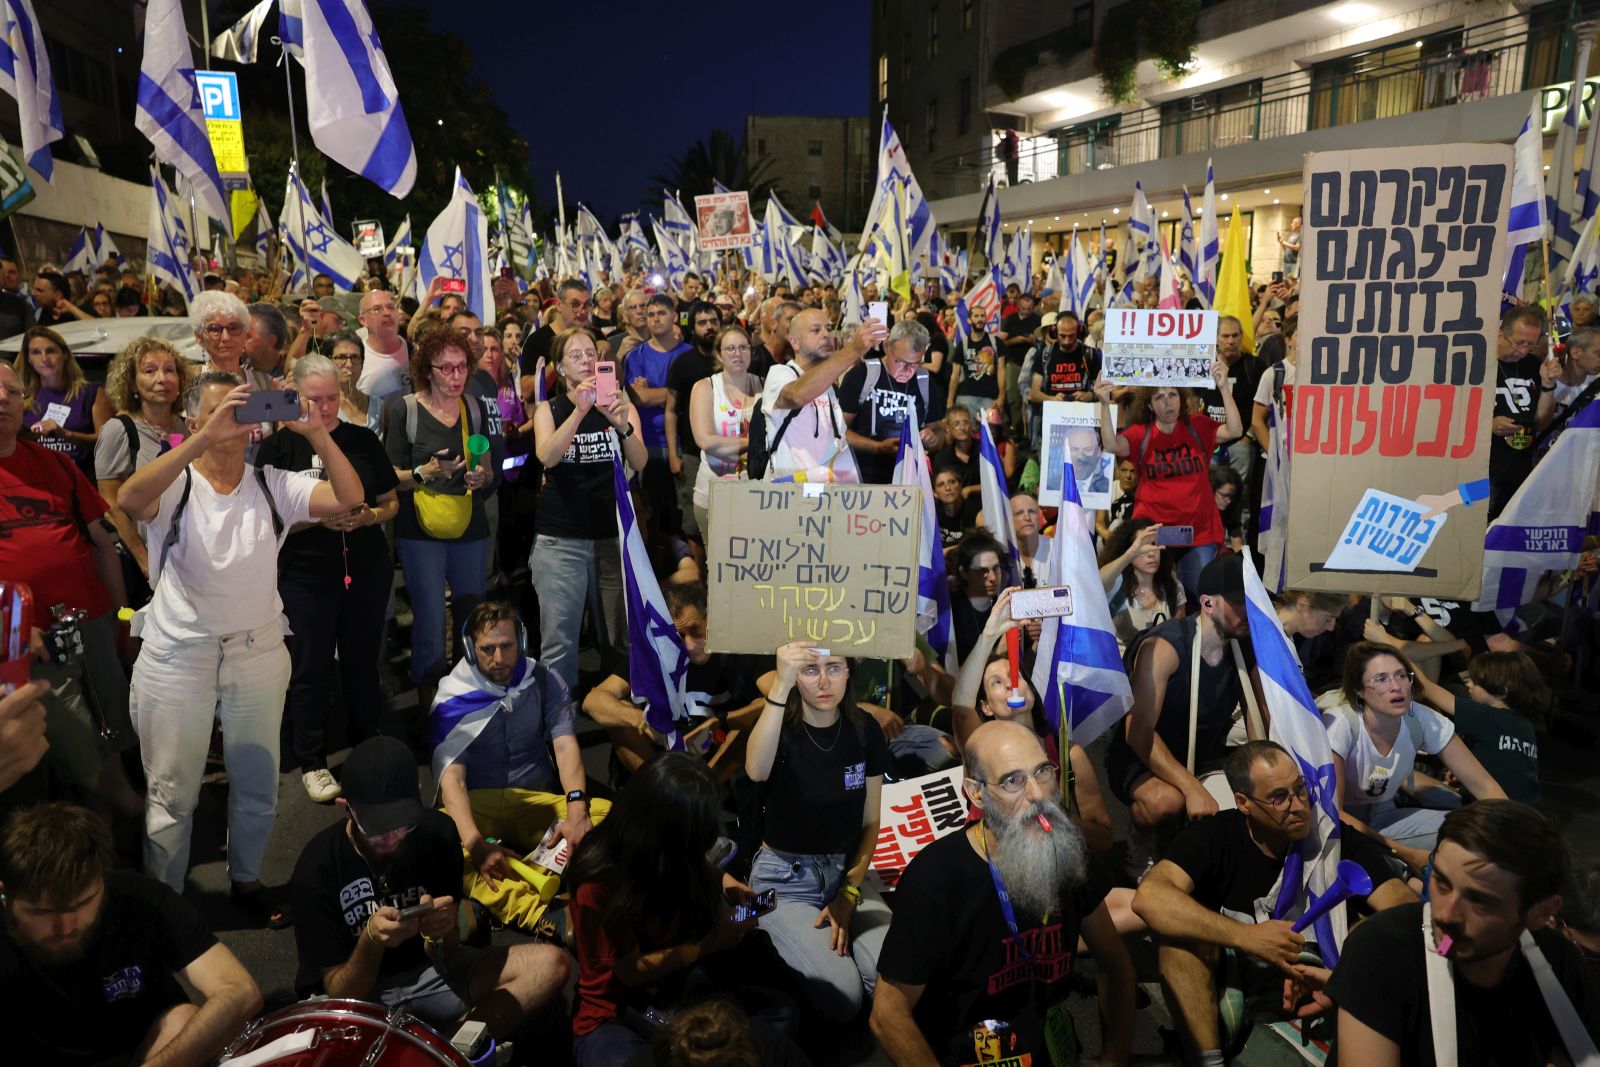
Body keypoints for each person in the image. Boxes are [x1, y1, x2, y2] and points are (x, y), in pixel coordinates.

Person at [118, 370, 364, 920]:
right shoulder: (176, 483)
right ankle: (168, 908)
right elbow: (131, 499)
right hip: (179, 654)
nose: (232, 420)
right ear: (189, 422)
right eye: (216, 410)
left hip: (257, 651)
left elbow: (351, 496)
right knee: (173, 795)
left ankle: (247, 882)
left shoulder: (271, 482)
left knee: (258, 785)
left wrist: (318, 434)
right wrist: (204, 438)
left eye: (240, 411)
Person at [871, 720, 1136, 1066]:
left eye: (1042, 771)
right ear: (976, 792)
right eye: (1013, 781)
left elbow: (1115, 964)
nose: (1038, 794)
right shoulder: (936, 878)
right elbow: (887, 1015)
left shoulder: (1066, 848)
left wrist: (1114, 1059)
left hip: (1040, 1043)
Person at [1134, 741, 1415, 1064]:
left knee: (1369, 934)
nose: (1297, 806)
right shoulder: (1216, 836)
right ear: (1243, 803)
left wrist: (1348, 967)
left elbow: (1406, 910)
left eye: (1301, 789)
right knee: (1179, 944)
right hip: (1235, 973)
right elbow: (1150, 898)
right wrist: (1247, 937)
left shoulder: (1331, 840)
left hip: (1315, 979)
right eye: (1279, 797)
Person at [290, 737, 571, 1041]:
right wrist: (371, 941)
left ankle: (442, 1051)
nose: (393, 838)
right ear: (346, 809)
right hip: (360, 1000)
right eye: (378, 828)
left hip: (430, 974)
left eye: (402, 824)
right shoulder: (316, 870)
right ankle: (447, 1044)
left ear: (418, 797)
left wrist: (445, 928)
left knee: (550, 964)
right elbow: (341, 990)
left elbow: (448, 952)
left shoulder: (436, 833)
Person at [568, 753, 804, 1066]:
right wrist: (714, 940)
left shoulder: (663, 847)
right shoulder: (598, 881)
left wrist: (727, 881)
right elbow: (628, 972)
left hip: (681, 981)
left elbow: (698, 860)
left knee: (782, 1014)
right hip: (619, 1006)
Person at [1327, 800, 1599, 1065]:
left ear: (1541, 913)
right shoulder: (1380, 951)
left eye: (1479, 900)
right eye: (1442, 882)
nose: (1446, 914)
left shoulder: (1556, 962)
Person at [0, 802, 263, 1066]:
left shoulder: (139, 898)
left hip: (146, 1053)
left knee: (182, 1019)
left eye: (82, 904)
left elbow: (239, 991)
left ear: (102, 879)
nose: (66, 927)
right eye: (42, 913)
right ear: (6, 896)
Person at [256, 354, 399, 803]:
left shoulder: (361, 439)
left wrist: (369, 515)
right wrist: (318, 520)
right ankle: (312, 760)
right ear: (292, 394)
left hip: (365, 566)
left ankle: (366, 743)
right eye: (313, 399)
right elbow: (269, 518)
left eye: (332, 398)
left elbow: (391, 501)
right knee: (310, 667)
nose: (323, 409)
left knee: (362, 662)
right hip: (305, 572)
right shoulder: (278, 447)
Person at [0, 363, 140, 816]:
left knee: (116, 726)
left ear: (25, 404)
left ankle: (117, 822)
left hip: (92, 622)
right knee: (76, 745)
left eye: (11, 391)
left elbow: (102, 544)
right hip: (27, 643)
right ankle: (127, 813)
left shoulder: (55, 464)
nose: (2, 398)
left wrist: (124, 622)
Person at [431, 600, 610, 932]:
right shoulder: (452, 698)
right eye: (487, 649)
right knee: (437, 844)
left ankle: (504, 888)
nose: (498, 658)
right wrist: (474, 843)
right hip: (478, 805)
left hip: (532, 798)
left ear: (522, 643)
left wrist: (575, 807)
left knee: (605, 816)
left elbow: (565, 745)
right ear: (471, 649)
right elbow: (452, 779)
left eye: (506, 646)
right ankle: (542, 913)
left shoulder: (544, 681)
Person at [745, 642, 893, 1022]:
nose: (824, 681)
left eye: (835, 668)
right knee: (843, 996)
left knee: (892, 977)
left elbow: (871, 823)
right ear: (795, 675)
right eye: (811, 670)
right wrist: (780, 685)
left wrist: (848, 892)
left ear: (849, 673)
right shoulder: (780, 725)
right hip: (784, 881)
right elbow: (756, 771)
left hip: (847, 875)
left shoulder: (865, 730)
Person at [949, 587, 1115, 855]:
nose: (1010, 685)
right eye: (996, 683)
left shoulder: (1068, 754)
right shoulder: (980, 748)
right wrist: (989, 634)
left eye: (1016, 677)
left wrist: (1055, 821)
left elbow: (1104, 838)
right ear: (986, 707)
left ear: (1032, 694)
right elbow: (960, 708)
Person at [385, 327, 503, 691]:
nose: (456, 376)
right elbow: (389, 477)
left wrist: (480, 478)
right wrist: (425, 472)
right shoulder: (405, 409)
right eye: (446, 368)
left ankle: (468, 693)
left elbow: (487, 467)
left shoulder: (474, 406)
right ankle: (430, 701)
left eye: (462, 367)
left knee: (471, 614)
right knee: (430, 619)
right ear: (427, 370)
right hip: (420, 528)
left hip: (469, 522)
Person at [1323, 642, 1507, 874]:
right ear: (1359, 690)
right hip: (1343, 826)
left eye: (1401, 675)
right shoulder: (1341, 723)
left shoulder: (1420, 718)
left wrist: (1515, 828)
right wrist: (1405, 853)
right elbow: (1333, 814)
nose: (1396, 686)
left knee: (1486, 833)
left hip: (1385, 814)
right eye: (1381, 679)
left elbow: (1484, 785)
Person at [530, 326, 647, 691]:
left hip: (610, 535)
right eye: (575, 355)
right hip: (560, 538)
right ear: (560, 368)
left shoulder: (619, 402)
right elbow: (547, 456)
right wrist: (579, 413)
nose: (586, 360)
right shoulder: (550, 409)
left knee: (617, 634)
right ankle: (561, 724)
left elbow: (640, 462)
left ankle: (618, 712)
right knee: (560, 640)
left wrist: (621, 424)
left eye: (590, 353)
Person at [1106, 553, 1253, 838]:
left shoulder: (1243, 645)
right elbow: (1138, 732)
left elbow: (1259, 722)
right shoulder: (1164, 646)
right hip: (1140, 754)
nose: (1248, 610)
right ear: (1208, 603)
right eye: (1238, 601)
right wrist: (1191, 787)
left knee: (1241, 808)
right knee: (1167, 802)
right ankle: (1141, 842)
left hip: (1203, 752)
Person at [1094, 360, 1243, 602]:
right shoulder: (1141, 433)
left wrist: (1224, 387)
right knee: (1152, 599)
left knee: (1202, 599)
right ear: (1150, 405)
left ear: (1182, 398)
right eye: (1159, 397)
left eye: (1172, 394)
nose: (1167, 401)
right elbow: (1112, 445)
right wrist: (1104, 403)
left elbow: (1235, 430)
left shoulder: (1197, 426)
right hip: (1154, 533)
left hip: (1198, 532)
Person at [583, 582, 765, 778]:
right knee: (616, 721)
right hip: (661, 757)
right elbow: (592, 701)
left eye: (695, 631)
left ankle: (708, 789)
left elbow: (771, 702)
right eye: (677, 636)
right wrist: (640, 720)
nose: (688, 644)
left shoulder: (733, 650)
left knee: (756, 724)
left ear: (710, 621)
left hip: (717, 752)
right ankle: (660, 788)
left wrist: (720, 723)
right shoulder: (652, 652)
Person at [95, 337, 193, 602]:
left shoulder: (187, 427)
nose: (162, 378)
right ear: (133, 383)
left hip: (190, 556)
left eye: (169, 370)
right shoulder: (119, 430)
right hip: (151, 561)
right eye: (149, 371)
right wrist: (143, 558)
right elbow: (110, 504)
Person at [1398, 647, 1547, 805]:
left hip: (1488, 812)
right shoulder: (1525, 725)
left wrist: (1396, 652)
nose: (1469, 684)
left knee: (1401, 773)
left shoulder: (1486, 715)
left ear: (1502, 691)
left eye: (1476, 682)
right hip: (1526, 810)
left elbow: (1426, 687)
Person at [761, 310, 885, 484]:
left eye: (827, 328)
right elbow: (797, 395)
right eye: (815, 330)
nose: (826, 334)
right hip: (789, 494)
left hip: (826, 496)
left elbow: (838, 439)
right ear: (795, 342)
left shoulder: (829, 387)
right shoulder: (780, 374)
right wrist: (853, 350)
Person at [838, 318, 945, 485]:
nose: (908, 371)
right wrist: (877, 447)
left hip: (907, 479)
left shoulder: (924, 380)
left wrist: (933, 439)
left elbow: (938, 431)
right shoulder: (862, 375)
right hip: (862, 477)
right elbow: (838, 431)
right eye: (901, 362)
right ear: (887, 347)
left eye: (915, 363)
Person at [690, 324, 761, 536]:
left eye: (743, 347)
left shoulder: (765, 386)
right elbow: (706, 441)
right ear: (719, 355)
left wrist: (727, 445)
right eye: (730, 348)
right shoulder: (705, 387)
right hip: (713, 494)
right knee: (718, 566)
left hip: (755, 494)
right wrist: (754, 442)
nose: (737, 353)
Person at [16, 326, 111, 479]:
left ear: (65, 354)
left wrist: (66, 434)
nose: (45, 358)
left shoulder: (91, 392)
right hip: (37, 481)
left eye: (51, 351)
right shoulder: (22, 397)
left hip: (81, 479)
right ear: (28, 359)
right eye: (36, 352)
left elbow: (107, 442)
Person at [665, 301, 721, 537]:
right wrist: (673, 454)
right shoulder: (682, 364)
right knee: (695, 520)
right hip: (692, 452)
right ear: (693, 327)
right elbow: (670, 410)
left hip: (732, 451)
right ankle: (699, 574)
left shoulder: (735, 358)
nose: (709, 327)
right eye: (702, 322)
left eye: (713, 322)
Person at [1488, 305, 1545, 518]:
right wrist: (1489, 425)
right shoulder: (1478, 362)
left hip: (1522, 468)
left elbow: (1543, 422)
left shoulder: (1533, 365)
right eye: (1519, 343)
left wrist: (1548, 385)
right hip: (1487, 471)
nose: (1523, 351)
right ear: (1501, 334)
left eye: (1530, 345)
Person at [1099, 518, 1185, 649]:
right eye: (1144, 546)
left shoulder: (1172, 585)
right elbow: (1099, 582)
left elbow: (1180, 637)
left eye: (1155, 544)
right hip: (1121, 665)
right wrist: (1131, 554)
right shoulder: (1116, 583)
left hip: (1160, 664)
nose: (1151, 553)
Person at [951, 531, 1007, 662]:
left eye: (996, 568)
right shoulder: (951, 611)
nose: (992, 578)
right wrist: (997, 653)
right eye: (982, 571)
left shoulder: (1005, 604)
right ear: (964, 573)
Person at [356, 288, 411, 409]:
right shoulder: (356, 359)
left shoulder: (414, 352)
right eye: (377, 309)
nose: (386, 313)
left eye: (391, 307)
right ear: (363, 320)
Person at [524, 279, 593, 371]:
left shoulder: (594, 336)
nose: (583, 311)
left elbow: (616, 377)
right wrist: (558, 363)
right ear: (559, 305)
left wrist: (607, 350)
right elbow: (527, 384)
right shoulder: (537, 340)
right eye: (575, 304)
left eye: (586, 305)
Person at [947, 314, 1004, 427]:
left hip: (990, 397)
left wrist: (1001, 396)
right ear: (969, 319)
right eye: (976, 316)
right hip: (966, 396)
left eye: (983, 316)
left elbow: (1001, 370)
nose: (980, 319)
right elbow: (955, 374)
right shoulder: (963, 344)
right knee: (964, 432)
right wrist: (950, 400)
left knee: (990, 434)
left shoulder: (996, 342)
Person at [933, 465, 980, 553]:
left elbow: (983, 542)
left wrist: (948, 551)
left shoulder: (975, 510)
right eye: (941, 485)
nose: (948, 488)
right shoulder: (931, 513)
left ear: (960, 486)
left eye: (952, 482)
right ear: (935, 493)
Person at [243, 302, 289, 380]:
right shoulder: (237, 374)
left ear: (271, 341)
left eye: (248, 337)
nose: (240, 343)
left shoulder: (292, 380)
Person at [0, 258, 34, 336]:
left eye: (11, 272)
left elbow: (32, 339)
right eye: (5, 273)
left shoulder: (23, 306)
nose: (7, 276)